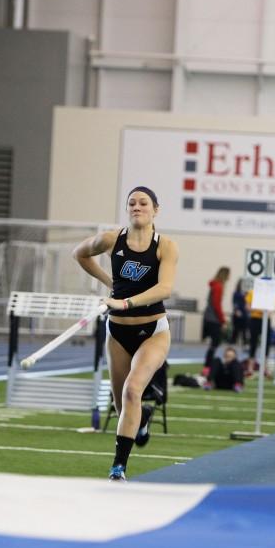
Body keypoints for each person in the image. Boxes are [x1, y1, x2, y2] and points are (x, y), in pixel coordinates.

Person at [73, 186, 178, 482]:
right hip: (118, 330)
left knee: (133, 390)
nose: (137, 207)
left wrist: (125, 302)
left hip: (153, 330)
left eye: (143, 203)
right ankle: (141, 419)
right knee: (123, 404)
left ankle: (118, 468)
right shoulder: (111, 239)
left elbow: (165, 288)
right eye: (131, 203)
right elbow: (79, 254)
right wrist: (109, 283)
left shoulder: (166, 246)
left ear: (155, 209)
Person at [201, 267, 230, 370]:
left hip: (208, 316)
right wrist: (223, 320)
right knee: (215, 343)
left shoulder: (214, 285)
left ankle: (207, 365)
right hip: (213, 318)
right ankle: (207, 366)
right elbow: (216, 305)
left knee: (214, 344)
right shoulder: (218, 286)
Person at [229, 278, 249, 346]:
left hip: (245, 314)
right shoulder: (236, 293)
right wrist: (236, 310)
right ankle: (233, 342)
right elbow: (234, 302)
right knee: (236, 329)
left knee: (244, 330)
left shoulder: (247, 293)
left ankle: (245, 343)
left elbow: (248, 303)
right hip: (237, 313)